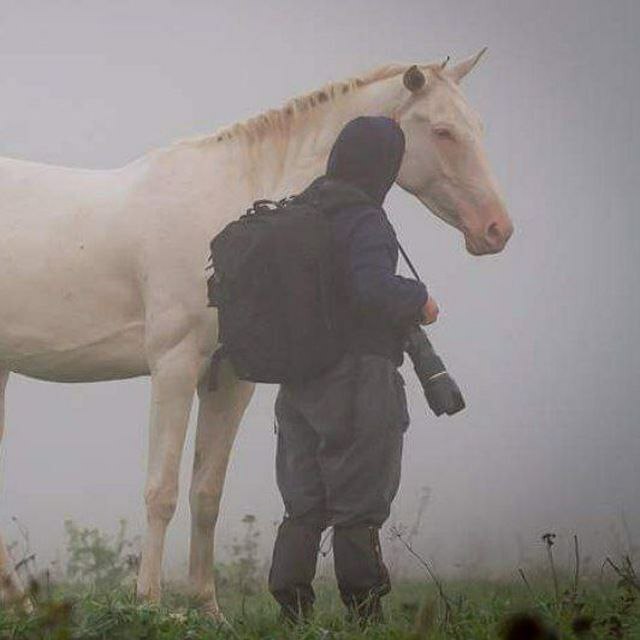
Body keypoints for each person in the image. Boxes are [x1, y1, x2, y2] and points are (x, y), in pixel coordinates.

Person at [267, 116, 439, 624]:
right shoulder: (363, 219)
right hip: (358, 376)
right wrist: (421, 299)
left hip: (298, 380)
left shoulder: (301, 210)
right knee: (359, 502)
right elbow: (370, 288)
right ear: (381, 166)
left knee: (303, 503)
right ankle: (365, 614)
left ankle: (290, 612)